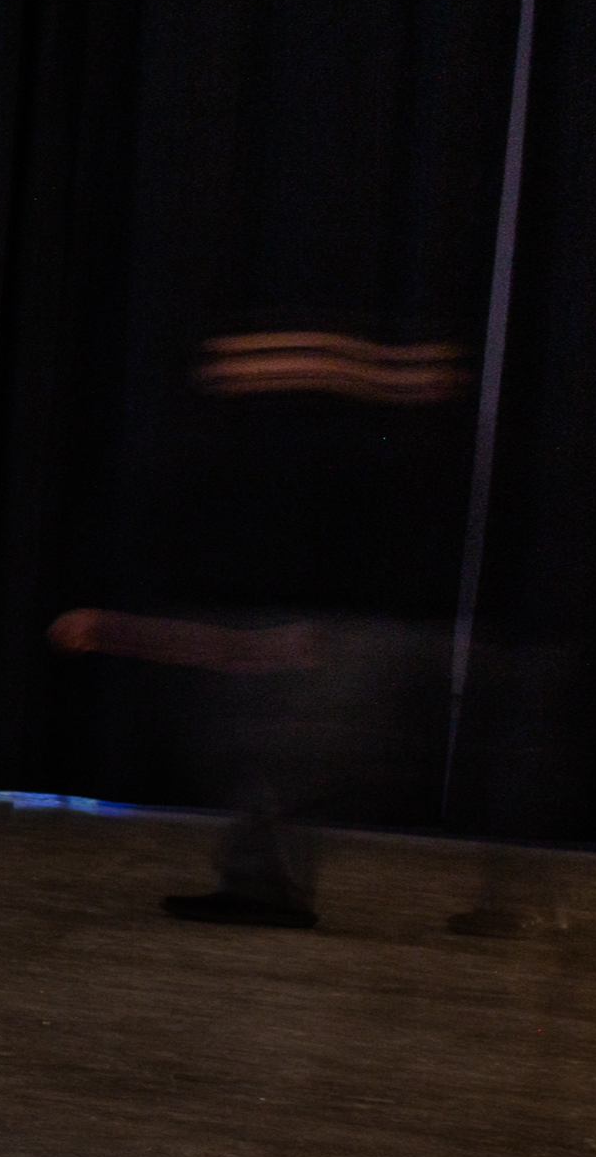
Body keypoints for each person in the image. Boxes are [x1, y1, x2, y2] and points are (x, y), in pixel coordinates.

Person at [54, 324, 483, 930]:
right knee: (262, 759)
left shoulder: (320, 453)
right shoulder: (286, 453)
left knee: (278, 758)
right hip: (289, 620)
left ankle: (266, 889)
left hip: (311, 624)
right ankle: (260, 885)